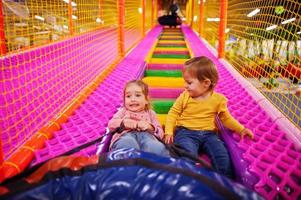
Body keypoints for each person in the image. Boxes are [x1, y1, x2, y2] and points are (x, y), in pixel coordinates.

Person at [164, 56, 254, 178]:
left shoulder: (218, 100)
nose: (185, 85)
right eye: (185, 81)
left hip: (209, 135)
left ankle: (224, 185)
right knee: (187, 155)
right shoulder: (185, 96)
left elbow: (226, 119)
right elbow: (173, 113)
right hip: (186, 132)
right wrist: (169, 131)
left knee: (222, 157)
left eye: (189, 82)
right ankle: (187, 181)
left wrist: (241, 129)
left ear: (206, 83)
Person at [108, 80, 169, 156]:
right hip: (126, 135)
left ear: (146, 99)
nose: (133, 99)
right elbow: (111, 125)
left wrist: (150, 127)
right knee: (127, 143)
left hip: (147, 136)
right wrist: (124, 123)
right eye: (128, 96)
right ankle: (126, 165)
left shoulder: (150, 113)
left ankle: (155, 165)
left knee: (154, 146)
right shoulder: (123, 111)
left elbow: (160, 133)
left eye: (137, 95)